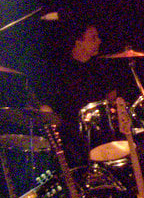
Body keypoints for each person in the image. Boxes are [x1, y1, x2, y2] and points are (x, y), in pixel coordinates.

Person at [48, 20, 115, 164]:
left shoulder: (101, 66)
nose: (99, 41)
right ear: (78, 42)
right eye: (93, 38)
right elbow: (50, 107)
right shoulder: (60, 70)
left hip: (102, 133)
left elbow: (111, 96)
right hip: (73, 138)